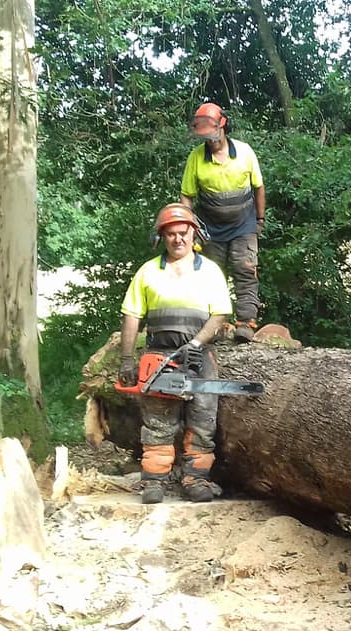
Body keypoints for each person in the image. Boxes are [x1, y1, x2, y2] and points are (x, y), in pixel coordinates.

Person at [118, 203, 233, 504]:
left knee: (202, 418)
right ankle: (154, 481)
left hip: (198, 355)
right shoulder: (147, 272)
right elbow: (131, 315)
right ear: (162, 238)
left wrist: (196, 343)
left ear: (194, 233)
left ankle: (196, 478)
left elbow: (219, 314)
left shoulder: (209, 271)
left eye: (182, 233)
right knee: (157, 421)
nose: (177, 239)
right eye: (170, 234)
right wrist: (127, 358)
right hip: (159, 354)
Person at [180, 101, 266, 343]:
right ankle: (216, 326)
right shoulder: (196, 158)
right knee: (212, 275)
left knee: (245, 269)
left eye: (212, 133)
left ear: (223, 126)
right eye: (204, 135)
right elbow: (187, 195)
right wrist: (190, 226)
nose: (209, 139)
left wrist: (260, 218)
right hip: (210, 227)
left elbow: (258, 187)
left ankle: (246, 323)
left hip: (244, 224)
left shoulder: (245, 152)